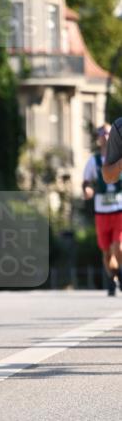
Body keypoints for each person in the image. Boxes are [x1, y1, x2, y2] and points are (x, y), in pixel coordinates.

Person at [82, 123, 122, 296]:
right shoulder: (94, 161)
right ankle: (113, 277)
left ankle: (121, 273)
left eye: (107, 133)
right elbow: (86, 181)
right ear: (98, 139)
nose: (105, 136)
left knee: (118, 246)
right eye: (101, 134)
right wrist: (87, 189)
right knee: (106, 252)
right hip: (101, 212)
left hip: (119, 209)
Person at [102, 117, 122, 184]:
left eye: (107, 133)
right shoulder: (119, 126)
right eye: (103, 133)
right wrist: (120, 164)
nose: (105, 136)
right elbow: (107, 177)